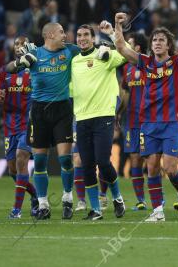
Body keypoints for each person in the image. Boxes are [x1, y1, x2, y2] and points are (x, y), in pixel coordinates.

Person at [113, 10, 178, 222]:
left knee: (169, 167)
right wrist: (117, 24)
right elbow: (121, 47)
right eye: (155, 40)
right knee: (151, 167)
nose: (158, 43)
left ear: (168, 45)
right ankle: (158, 210)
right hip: (148, 122)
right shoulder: (145, 62)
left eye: (162, 40)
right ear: (151, 45)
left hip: (171, 121)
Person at [5, 22, 80, 220]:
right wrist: (22, 61)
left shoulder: (70, 50)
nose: (66, 35)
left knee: (65, 158)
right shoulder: (35, 53)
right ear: (50, 35)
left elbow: (90, 51)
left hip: (62, 109)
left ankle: (67, 198)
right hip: (39, 112)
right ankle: (43, 204)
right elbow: (8, 68)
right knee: (39, 161)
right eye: (62, 32)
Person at [70, 23, 127, 221]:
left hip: (103, 116)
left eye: (86, 35)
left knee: (103, 162)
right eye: (79, 35)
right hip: (82, 118)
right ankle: (95, 209)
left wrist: (112, 36)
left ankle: (117, 197)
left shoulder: (105, 55)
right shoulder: (74, 61)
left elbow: (125, 53)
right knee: (86, 165)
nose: (82, 38)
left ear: (93, 38)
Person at [0, 36, 39, 219]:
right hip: (9, 125)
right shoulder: (5, 71)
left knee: (22, 160)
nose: (19, 47)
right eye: (16, 44)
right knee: (13, 170)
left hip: (29, 124)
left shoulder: (35, 69)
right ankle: (35, 196)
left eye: (22, 44)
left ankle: (16, 209)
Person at [118, 32, 149, 211]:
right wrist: (118, 112)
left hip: (149, 120)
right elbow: (126, 92)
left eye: (129, 44)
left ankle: (160, 197)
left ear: (137, 48)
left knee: (151, 159)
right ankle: (140, 200)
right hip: (131, 120)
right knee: (135, 159)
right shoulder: (126, 69)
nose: (126, 47)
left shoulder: (149, 65)